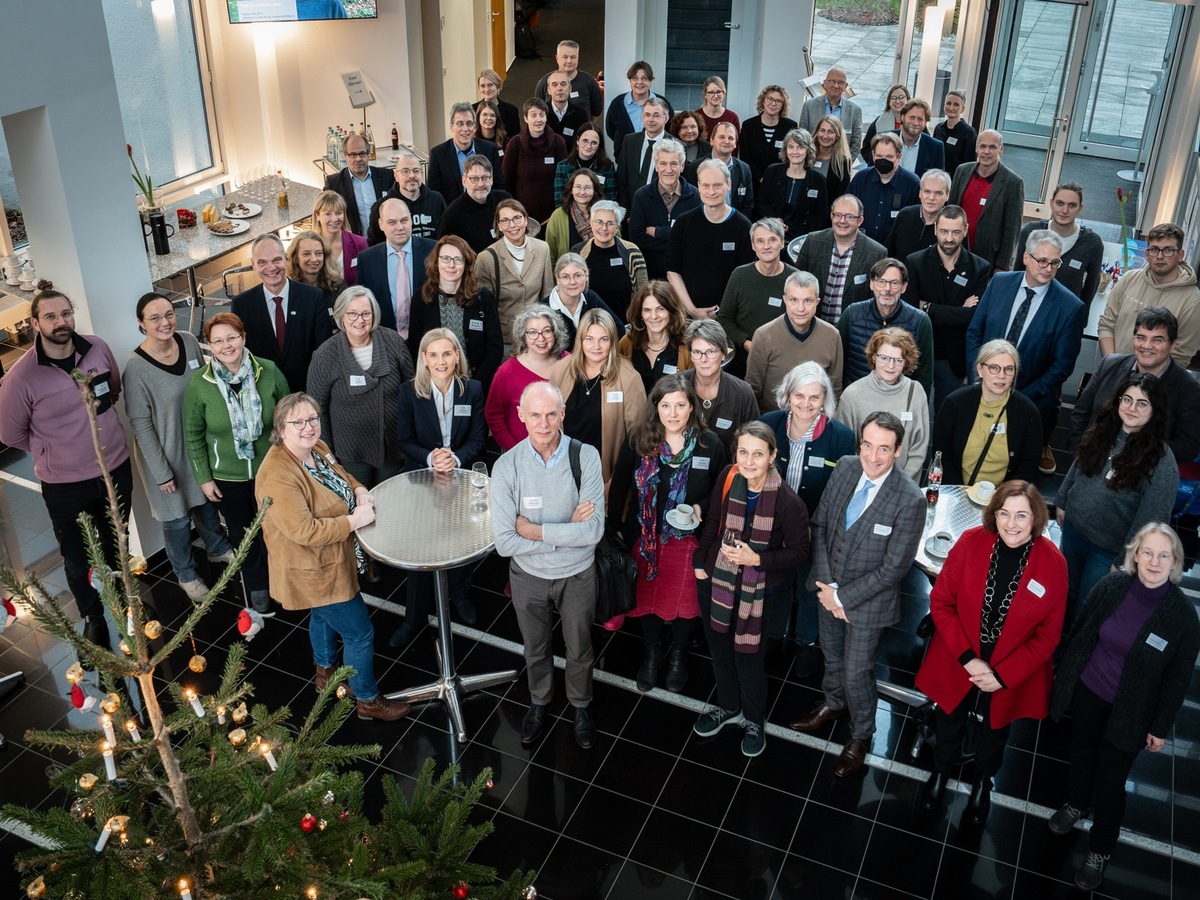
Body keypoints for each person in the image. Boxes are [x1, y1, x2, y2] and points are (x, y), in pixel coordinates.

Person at [1047, 523, 1200, 893]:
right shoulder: (1111, 587)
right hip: (1089, 691)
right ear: (1135, 554)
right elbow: (1081, 631)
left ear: (1176, 562)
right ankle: (1076, 804)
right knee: (1080, 754)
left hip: (1132, 712)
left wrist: (1160, 727)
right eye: (1147, 552)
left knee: (1112, 782)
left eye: (1164, 555)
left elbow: (1177, 680)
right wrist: (1063, 679)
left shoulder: (1183, 617)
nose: (1154, 561)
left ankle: (1100, 849)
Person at [915, 481, 1067, 822]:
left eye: (1021, 515)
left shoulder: (1053, 564)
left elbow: (1047, 637)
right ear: (994, 514)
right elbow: (941, 603)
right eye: (1004, 513)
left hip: (1009, 670)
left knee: (995, 730)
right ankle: (940, 771)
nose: (1011, 524)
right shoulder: (971, 543)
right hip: (961, 657)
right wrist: (969, 659)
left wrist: (1001, 676)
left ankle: (983, 781)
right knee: (948, 718)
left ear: (1036, 518)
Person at [254, 392, 410, 721]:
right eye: (298, 422)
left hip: (334, 559)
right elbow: (306, 531)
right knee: (359, 632)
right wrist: (356, 520)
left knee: (323, 616)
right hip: (312, 569)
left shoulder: (316, 449)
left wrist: (359, 490)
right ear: (281, 429)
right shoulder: (277, 476)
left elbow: (341, 475)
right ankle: (367, 700)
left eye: (313, 419)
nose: (308, 427)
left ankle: (324, 672)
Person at [788, 411, 926, 778]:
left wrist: (842, 598)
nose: (873, 456)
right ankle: (832, 704)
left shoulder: (910, 500)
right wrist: (828, 587)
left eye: (884, 449)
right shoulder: (846, 467)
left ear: (898, 451)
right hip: (826, 587)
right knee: (830, 654)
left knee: (856, 671)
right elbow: (820, 525)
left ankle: (862, 734)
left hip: (866, 603)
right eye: (868, 445)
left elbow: (894, 569)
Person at [0, 282, 133, 652]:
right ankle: (92, 616)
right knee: (76, 556)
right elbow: (11, 433)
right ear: (35, 322)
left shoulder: (97, 348)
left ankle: (127, 609)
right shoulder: (22, 377)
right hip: (65, 485)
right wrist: (54, 449)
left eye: (66, 314)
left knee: (117, 543)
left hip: (115, 469)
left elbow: (114, 391)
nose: (61, 322)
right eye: (51, 316)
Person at [491, 382, 605, 749]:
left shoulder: (585, 456)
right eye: (535, 415)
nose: (543, 423)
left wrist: (535, 530)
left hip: (577, 575)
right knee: (535, 647)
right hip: (528, 577)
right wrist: (565, 530)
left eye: (551, 414)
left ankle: (581, 704)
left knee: (580, 645)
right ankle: (539, 700)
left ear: (563, 415)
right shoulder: (507, 465)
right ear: (521, 416)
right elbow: (505, 542)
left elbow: (594, 531)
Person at [692, 421, 809, 757]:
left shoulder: (788, 502)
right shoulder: (729, 476)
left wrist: (757, 558)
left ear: (773, 456)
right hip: (718, 583)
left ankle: (754, 720)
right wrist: (700, 562)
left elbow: (801, 552)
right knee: (720, 655)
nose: (749, 461)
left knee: (749, 662)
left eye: (758, 454)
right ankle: (728, 707)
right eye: (743, 452)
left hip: (759, 594)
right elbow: (714, 519)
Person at [609, 375, 727, 693]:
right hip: (645, 536)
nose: (673, 413)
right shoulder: (640, 438)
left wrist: (701, 508)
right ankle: (651, 651)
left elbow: (721, 493)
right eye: (665, 405)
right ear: (656, 407)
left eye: (680, 405)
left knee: (685, 601)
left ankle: (679, 653)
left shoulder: (710, 444)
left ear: (691, 407)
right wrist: (615, 527)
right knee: (648, 597)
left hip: (689, 539)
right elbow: (621, 484)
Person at [124, 292, 234, 602]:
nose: (164, 322)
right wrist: (161, 472)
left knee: (206, 501)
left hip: (197, 445)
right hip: (166, 453)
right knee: (176, 520)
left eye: (169, 314)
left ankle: (217, 548)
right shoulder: (136, 369)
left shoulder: (186, 341)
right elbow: (141, 425)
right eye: (155, 318)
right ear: (141, 324)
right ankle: (186, 574)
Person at [183, 312, 289, 614]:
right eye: (218, 341)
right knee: (245, 534)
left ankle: (283, 581)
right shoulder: (199, 385)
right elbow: (193, 434)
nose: (226, 345)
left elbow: (289, 417)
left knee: (277, 528)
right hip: (227, 477)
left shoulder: (267, 371)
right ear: (210, 346)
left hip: (271, 470)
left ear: (243, 338)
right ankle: (257, 586)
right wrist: (204, 477)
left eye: (232, 337)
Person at [1056, 374, 1178, 626]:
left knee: (1088, 609)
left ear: (1156, 410)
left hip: (1107, 551)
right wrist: (1062, 499)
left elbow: (1151, 519)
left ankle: (1072, 660)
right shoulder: (1105, 430)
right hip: (1073, 531)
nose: (1132, 408)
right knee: (1062, 595)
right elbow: (1079, 464)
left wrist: (1125, 559)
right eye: (1127, 399)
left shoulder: (1162, 460)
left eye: (1142, 403)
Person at [391, 329, 487, 647]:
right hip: (422, 479)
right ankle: (413, 618)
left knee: (462, 543)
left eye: (447, 353)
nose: (441, 361)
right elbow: (404, 440)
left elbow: (477, 438)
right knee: (420, 548)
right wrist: (431, 457)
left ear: (457, 356)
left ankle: (459, 596)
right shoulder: (409, 392)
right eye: (433, 354)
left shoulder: (471, 389)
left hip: (458, 477)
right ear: (424, 359)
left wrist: (455, 459)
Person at [965, 229, 1085, 476]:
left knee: (1012, 466)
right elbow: (975, 333)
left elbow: (1062, 366)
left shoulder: (1070, 307)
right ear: (1026, 258)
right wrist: (979, 378)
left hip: (1029, 399)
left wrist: (1023, 396)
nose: (1049, 268)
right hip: (982, 389)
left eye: (1055, 262)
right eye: (1042, 261)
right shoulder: (999, 283)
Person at [761, 364, 854, 677]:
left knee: (810, 588)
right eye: (799, 395)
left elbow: (841, 493)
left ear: (824, 398)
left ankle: (804, 645)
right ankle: (774, 638)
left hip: (817, 531)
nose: (806, 403)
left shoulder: (841, 437)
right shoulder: (768, 424)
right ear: (787, 395)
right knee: (776, 584)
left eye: (814, 397)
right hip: (773, 527)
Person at [306, 285, 414, 498]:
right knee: (357, 506)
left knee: (390, 503)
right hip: (349, 454)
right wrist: (328, 456)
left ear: (374, 315)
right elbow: (316, 411)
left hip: (393, 447)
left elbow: (412, 392)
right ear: (341, 316)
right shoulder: (325, 355)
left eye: (366, 313)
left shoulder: (394, 342)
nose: (359, 320)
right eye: (352, 313)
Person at [1070, 307, 1200, 466]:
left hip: (1141, 475)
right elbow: (1081, 413)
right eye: (1141, 337)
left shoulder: (1189, 390)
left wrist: (1133, 456)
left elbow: (1188, 447)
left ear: (1173, 345)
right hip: (1090, 464)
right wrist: (1080, 456)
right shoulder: (1109, 365)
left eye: (1157, 340)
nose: (1146, 345)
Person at [904, 204, 990, 410]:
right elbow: (910, 311)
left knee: (947, 413)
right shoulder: (915, 262)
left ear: (966, 230)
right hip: (919, 350)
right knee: (911, 411)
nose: (949, 238)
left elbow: (974, 317)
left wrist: (928, 307)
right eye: (944, 231)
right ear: (935, 229)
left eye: (956, 232)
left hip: (954, 356)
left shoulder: (980, 268)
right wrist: (959, 310)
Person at [550, 308, 647, 487]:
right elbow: (549, 422)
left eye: (603, 339)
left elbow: (638, 437)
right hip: (563, 473)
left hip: (606, 477)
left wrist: (616, 480)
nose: (596, 346)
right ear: (580, 340)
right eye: (589, 339)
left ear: (612, 341)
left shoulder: (629, 377)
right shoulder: (561, 370)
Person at [932, 339, 1042, 487]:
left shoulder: (1028, 412)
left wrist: (1002, 498)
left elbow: (1028, 466)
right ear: (980, 369)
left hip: (1002, 499)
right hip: (957, 491)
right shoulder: (955, 403)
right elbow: (942, 454)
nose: (1001, 375)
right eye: (994, 368)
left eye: (1008, 369)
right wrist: (960, 492)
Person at [231, 234, 332, 392]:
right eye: (262, 262)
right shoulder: (242, 305)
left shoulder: (313, 297)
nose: (271, 268)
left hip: (307, 392)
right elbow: (242, 356)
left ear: (286, 259)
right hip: (265, 395)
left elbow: (324, 351)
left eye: (276, 260)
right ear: (253, 265)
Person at [408, 235, 502, 394]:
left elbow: (495, 347)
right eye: (445, 258)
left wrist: (475, 385)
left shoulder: (482, 297)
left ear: (466, 264)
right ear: (436, 262)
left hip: (475, 385)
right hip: (434, 386)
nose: (451, 265)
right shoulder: (422, 297)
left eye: (458, 260)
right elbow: (415, 345)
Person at [1097, 222, 1200, 366]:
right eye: (1154, 249)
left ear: (1180, 255)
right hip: (1111, 372)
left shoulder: (1193, 301)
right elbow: (1107, 325)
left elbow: (1180, 357)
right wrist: (1112, 366)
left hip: (1151, 384)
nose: (1160, 256)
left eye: (1168, 250)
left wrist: (1142, 382)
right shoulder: (1128, 279)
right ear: (1146, 253)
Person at [666, 159, 755, 319]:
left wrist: (722, 312)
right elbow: (673, 272)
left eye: (717, 185)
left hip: (728, 317)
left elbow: (745, 278)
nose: (711, 192)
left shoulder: (743, 227)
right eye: (706, 185)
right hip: (686, 315)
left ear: (728, 184)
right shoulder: (684, 222)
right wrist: (693, 311)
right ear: (698, 186)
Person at [836, 327, 929, 480]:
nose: (891, 366)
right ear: (873, 357)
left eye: (898, 360)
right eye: (884, 358)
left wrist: (902, 482)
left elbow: (919, 447)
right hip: (863, 481)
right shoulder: (852, 395)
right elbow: (846, 450)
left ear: (906, 362)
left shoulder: (916, 392)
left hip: (903, 484)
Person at [745, 270, 844, 412]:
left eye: (808, 301)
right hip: (773, 420)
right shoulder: (763, 335)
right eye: (794, 300)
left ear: (817, 302)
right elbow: (752, 390)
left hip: (815, 420)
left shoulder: (832, 336)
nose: (800, 308)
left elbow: (835, 390)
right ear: (785, 300)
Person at [837, 258, 934, 395]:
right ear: (872, 284)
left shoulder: (920, 321)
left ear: (904, 286)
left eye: (894, 283)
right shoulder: (852, 314)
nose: (887, 289)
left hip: (898, 400)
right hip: (856, 398)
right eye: (881, 282)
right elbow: (837, 362)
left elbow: (924, 376)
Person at [718, 217, 797, 377]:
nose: (766, 246)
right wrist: (746, 343)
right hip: (742, 362)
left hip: (781, 364)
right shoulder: (740, 275)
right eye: (760, 241)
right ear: (753, 245)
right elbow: (724, 318)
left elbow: (803, 323)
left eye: (772, 240)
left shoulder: (795, 279)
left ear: (782, 243)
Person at [486, 307, 570, 451]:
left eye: (547, 331)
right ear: (523, 336)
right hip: (522, 453)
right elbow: (493, 415)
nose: (541, 338)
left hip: (565, 452)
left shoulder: (569, 362)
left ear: (555, 333)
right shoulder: (507, 371)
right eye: (532, 332)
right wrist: (515, 450)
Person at [793, 195, 887, 323]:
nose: (842, 221)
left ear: (860, 221)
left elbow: (876, 300)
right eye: (837, 215)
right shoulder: (813, 241)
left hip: (852, 329)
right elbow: (796, 283)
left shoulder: (876, 253)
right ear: (831, 216)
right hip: (811, 324)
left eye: (849, 216)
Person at [473, 198, 555, 343]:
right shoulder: (486, 258)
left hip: (537, 335)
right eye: (505, 220)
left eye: (517, 218)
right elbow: (483, 305)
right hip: (504, 337)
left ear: (526, 220)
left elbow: (547, 295)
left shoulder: (542, 249)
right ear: (499, 226)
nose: (512, 225)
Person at [355, 197, 435, 337]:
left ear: (411, 220)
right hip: (384, 339)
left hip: (428, 337)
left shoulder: (433, 250)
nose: (400, 227)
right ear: (381, 224)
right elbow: (364, 304)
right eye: (392, 222)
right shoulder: (367, 260)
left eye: (404, 220)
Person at [949, 129, 1025, 273]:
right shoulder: (962, 171)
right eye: (982, 146)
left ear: (1001, 149)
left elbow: (1012, 229)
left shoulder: (1013, 183)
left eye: (992, 147)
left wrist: (1002, 266)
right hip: (955, 251)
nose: (986, 151)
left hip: (988, 259)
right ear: (976, 148)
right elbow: (951, 211)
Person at [1015, 183, 1103, 305]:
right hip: (1026, 307)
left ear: (1080, 208)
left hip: (1064, 315)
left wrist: (1081, 316)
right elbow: (1017, 273)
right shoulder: (1030, 231)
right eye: (1060, 203)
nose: (1064, 210)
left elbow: (1092, 284)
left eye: (1072, 205)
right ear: (1051, 203)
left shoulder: (1092, 243)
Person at [680, 319, 759, 451]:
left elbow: (754, 442)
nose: (703, 359)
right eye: (697, 352)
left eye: (711, 352)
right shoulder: (674, 386)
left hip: (728, 469)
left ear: (723, 354)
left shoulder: (743, 393)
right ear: (691, 355)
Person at [629, 138, 700, 279]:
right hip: (651, 274)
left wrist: (658, 232)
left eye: (674, 164)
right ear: (656, 166)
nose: (668, 170)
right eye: (663, 164)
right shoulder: (641, 196)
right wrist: (678, 242)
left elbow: (696, 237)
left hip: (686, 274)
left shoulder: (695, 196)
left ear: (682, 166)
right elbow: (636, 237)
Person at [571, 200, 648, 322]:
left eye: (610, 223)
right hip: (588, 326)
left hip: (626, 325)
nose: (604, 228)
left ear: (618, 226)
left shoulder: (632, 252)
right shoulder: (578, 252)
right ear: (590, 223)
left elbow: (643, 292)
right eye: (599, 222)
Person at [619, 280, 693, 393]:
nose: (653, 316)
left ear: (671, 311)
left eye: (660, 309)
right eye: (647, 310)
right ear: (641, 314)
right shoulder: (627, 343)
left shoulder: (686, 346)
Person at [756, 128, 830, 240]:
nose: (795, 152)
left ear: (808, 150)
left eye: (800, 147)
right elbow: (761, 202)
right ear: (785, 150)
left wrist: (803, 232)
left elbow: (821, 215)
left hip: (803, 238)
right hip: (772, 232)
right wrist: (774, 220)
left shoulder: (818, 180)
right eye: (791, 147)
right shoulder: (772, 171)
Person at [846, 133, 920, 246]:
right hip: (860, 247)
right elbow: (847, 210)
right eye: (879, 156)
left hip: (894, 251)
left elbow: (915, 222)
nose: (883, 160)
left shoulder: (912, 184)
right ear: (873, 155)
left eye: (889, 157)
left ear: (899, 157)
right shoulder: (861, 179)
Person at [503, 98, 569, 224]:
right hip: (521, 216)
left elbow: (565, 179)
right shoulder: (515, 144)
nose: (538, 119)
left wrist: (559, 212)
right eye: (533, 115)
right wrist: (514, 211)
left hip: (553, 215)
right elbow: (506, 181)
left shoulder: (558, 142)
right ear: (525, 118)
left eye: (542, 115)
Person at [427, 103, 504, 205]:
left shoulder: (490, 149)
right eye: (460, 123)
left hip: (486, 210)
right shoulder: (438, 154)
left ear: (475, 127)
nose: (465, 129)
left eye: (469, 123)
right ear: (451, 127)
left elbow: (499, 187)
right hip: (453, 215)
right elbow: (434, 194)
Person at [436, 155, 514, 254]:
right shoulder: (452, 216)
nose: (480, 184)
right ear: (464, 181)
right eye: (474, 179)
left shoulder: (505, 200)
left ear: (492, 179)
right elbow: (444, 253)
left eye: (485, 177)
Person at [366, 151, 447, 245]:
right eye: (405, 171)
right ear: (396, 176)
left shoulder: (436, 200)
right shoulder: (382, 206)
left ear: (421, 173)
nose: (412, 175)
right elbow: (374, 243)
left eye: (416, 171)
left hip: (433, 257)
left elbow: (447, 234)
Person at [540, 251, 617, 349]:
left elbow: (617, 329)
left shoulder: (591, 298)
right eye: (565, 277)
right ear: (557, 279)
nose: (572, 282)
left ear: (586, 276)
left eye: (578, 275)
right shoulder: (544, 309)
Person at [322, 132, 392, 236]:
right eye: (353, 155)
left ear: (369, 154)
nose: (358, 159)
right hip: (353, 244)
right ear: (345, 155)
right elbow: (326, 217)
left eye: (362, 153)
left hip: (384, 242)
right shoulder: (334, 184)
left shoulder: (387, 176)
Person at [606, 60, 674, 156]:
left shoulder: (663, 103)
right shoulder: (617, 104)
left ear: (650, 81)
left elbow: (671, 130)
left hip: (656, 160)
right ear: (630, 81)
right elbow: (610, 130)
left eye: (644, 78)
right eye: (635, 78)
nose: (639, 82)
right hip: (624, 159)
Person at [616, 97, 672, 211]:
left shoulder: (676, 146)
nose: (650, 119)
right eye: (647, 115)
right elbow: (622, 179)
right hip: (631, 210)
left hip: (661, 212)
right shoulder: (629, 141)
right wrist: (627, 212)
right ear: (642, 117)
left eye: (656, 115)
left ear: (666, 118)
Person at [798, 68, 864, 161]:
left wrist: (843, 166)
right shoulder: (809, 106)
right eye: (832, 81)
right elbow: (802, 137)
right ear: (825, 83)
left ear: (846, 86)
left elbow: (855, 145)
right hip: (812, 163)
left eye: (840, 82)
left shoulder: (855, 111)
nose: (836, 86)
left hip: (840, 164)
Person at [692, 122, 756, 219]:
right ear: (711, 141)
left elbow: (748, 204)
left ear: (735, 144)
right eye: (721, 137)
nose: (726, 141)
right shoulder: (694, 168)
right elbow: (692, 202)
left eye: (730, 138)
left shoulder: (744, 169)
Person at [886, 169, 950, 263]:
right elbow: (889, 253)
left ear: (947, 196)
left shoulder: (952, 224)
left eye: (938, 193)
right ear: (920, 193)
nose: (931, 198)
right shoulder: (905, 215)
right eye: (927, 191)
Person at [740, 85, 798, 188]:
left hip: (781, 182)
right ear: (763, 100)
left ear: (783, 105)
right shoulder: (748, 125)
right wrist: (761, 178)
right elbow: (745, 158)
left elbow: (792, 157)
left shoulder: (790, 126)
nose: (773, 104)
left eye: (778, 101)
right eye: (770, 99)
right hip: (754, 183)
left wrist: (775, 178)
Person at [534, 39, 603, 118]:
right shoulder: (544, 82)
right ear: (557, 58)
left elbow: (596, 112)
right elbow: (537, 111)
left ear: (578, 58)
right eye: (565, 57)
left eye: (573, 57)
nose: (569, 61)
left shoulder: (589, 81)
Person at [545, 168, 602, 263]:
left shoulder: (605, 214)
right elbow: (550, 253)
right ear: (571, 189)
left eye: (587, 187)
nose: (582, 192)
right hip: (569, 275)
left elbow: (616, 245)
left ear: (595, 190)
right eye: (578, 187)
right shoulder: (558, 216)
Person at [312, 189, 368, 286]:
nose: (334, 219)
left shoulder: (359, 243)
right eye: (328, 214)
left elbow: (369, 278)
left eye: (338, 213)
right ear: (317, 216)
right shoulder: (310, 246)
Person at [553, 122, 617, 202]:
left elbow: (611, 199)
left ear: (599, 146)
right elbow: (560, 200)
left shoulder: (607, 167)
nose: (589, 146)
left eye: (594, 143)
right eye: (585, 141)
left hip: (599, 213)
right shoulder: (562, 166)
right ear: (577, 141)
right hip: (569, 213)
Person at [285, 229, 345, 311]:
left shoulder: (337, 285)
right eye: (306, 254)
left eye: (319, 253)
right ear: (295, 258)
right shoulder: (287, 289)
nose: (314, 259)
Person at [893, 99, 944, 177]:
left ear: (925, 122)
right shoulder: (885, 139)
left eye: (920, 119)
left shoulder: (935, 147)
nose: (915, 123)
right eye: (912, 118)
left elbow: (938, 181)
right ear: (902, 117)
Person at [544, 69, 590, 152]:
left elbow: (584, 143)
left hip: (571, 161)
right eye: (554, 85)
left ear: (570, 89)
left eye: (563, 84)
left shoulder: (580, 114)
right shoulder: (541, 113)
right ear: (549, 90)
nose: (559, 88)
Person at [862, 84, 911, 162]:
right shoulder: (879, 122)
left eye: (901, 97)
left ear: (908, 99)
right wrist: (875, 163)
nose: (897, 101)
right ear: (889, 102)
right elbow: (866, 148)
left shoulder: (915, 122)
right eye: (893, 98)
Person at [810, 115, 853, 202]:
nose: (825, 136)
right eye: (822, 130)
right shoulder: (807, 155)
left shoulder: (843, 161)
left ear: (837, 136)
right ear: (817, 132)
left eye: (830, 132)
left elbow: (840, 196)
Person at [933, 89, 977, 174]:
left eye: (956, 105)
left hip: (956, 182)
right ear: (944, 105)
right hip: (937, 179)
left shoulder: (969, 133)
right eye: (948, 103)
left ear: (962, 109)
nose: (951, 108)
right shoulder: (938, 128)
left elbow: (970, 166)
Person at [476, 67, 521, 139]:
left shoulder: (511, 111)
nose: (487, 89)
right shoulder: (472, 110)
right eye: (483, 86)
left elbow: (515, 140)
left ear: (498, 86)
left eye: (490, 85)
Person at [695, 75, 740, 139]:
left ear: (724, 93)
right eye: (711, 92)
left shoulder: (732, 117)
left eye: (718, 92)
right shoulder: (696, 116)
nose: (715, 96)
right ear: (705, 94)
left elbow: (735, 143)